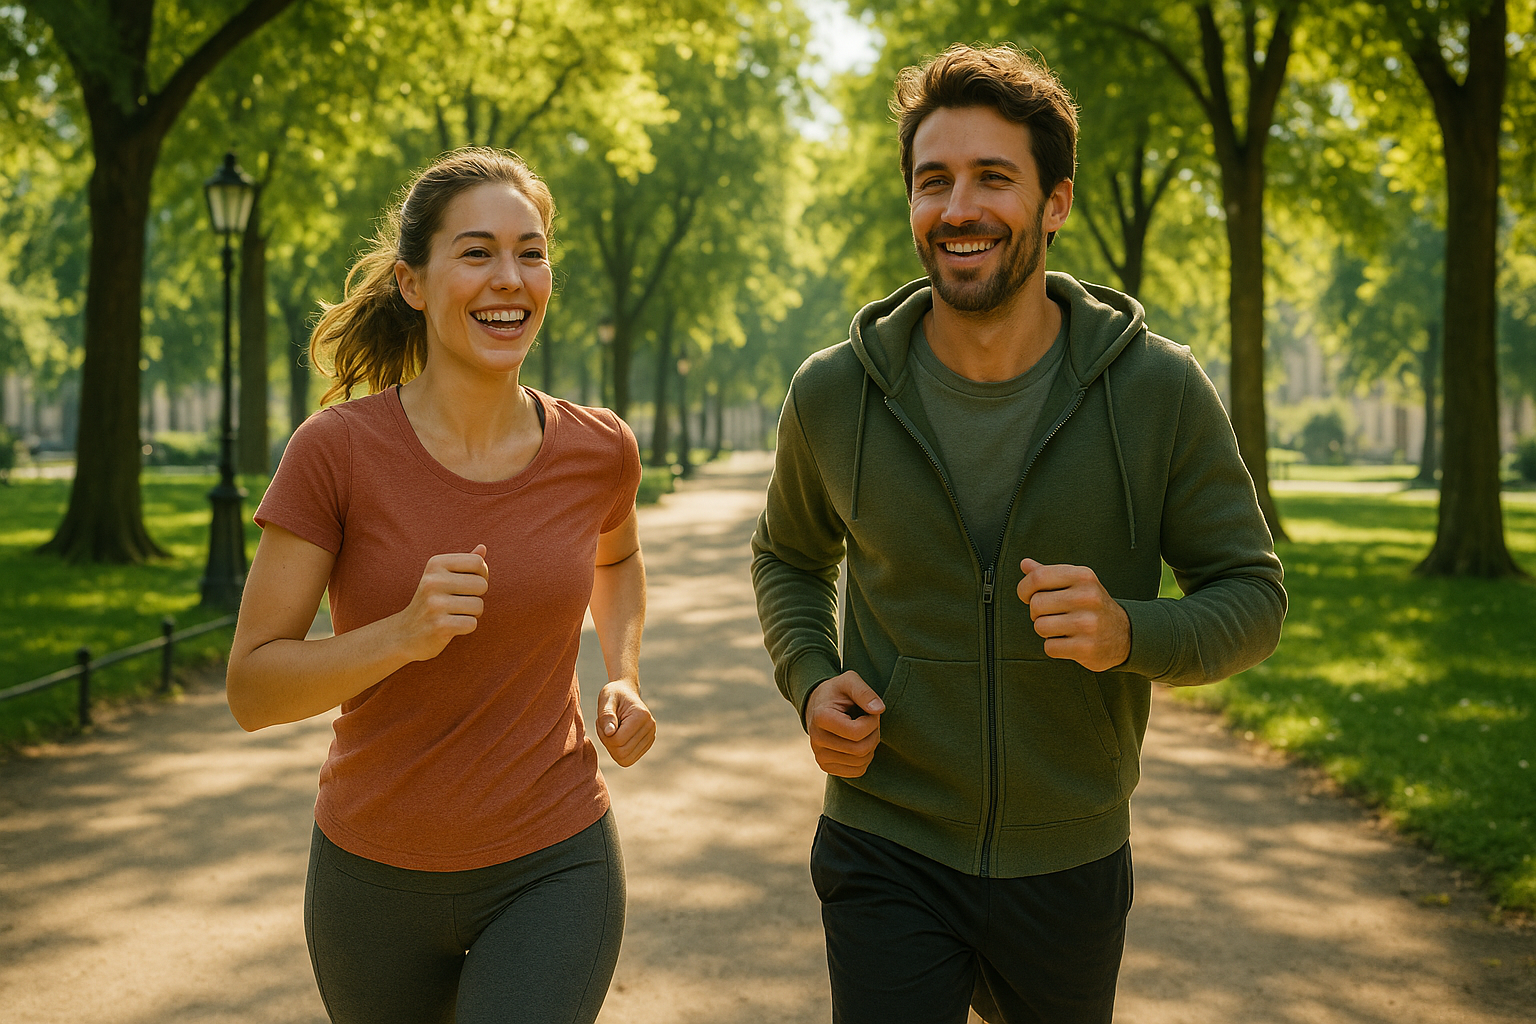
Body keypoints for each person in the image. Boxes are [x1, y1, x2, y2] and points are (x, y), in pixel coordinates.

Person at [751, 44, 1286, 1024]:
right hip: (886, 839)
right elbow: (789, 555)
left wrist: (1128, 632)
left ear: (1055, 203)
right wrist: (812, 678)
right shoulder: (834, 392)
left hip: (1070, 854)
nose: (958, 208)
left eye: (993, 177)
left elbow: (1251, 596)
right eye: (933, 181)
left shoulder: (1158, 389)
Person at [226, 147, 655, 1024]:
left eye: (531, 253)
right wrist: (400, 635)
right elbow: (252, 688)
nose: (510, 278)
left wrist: (624, 674)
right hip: (371, 879)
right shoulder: (336, 452)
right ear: (412, 283)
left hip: (554, 857)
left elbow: (615, 559)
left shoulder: (599, 449)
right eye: (476, 252)